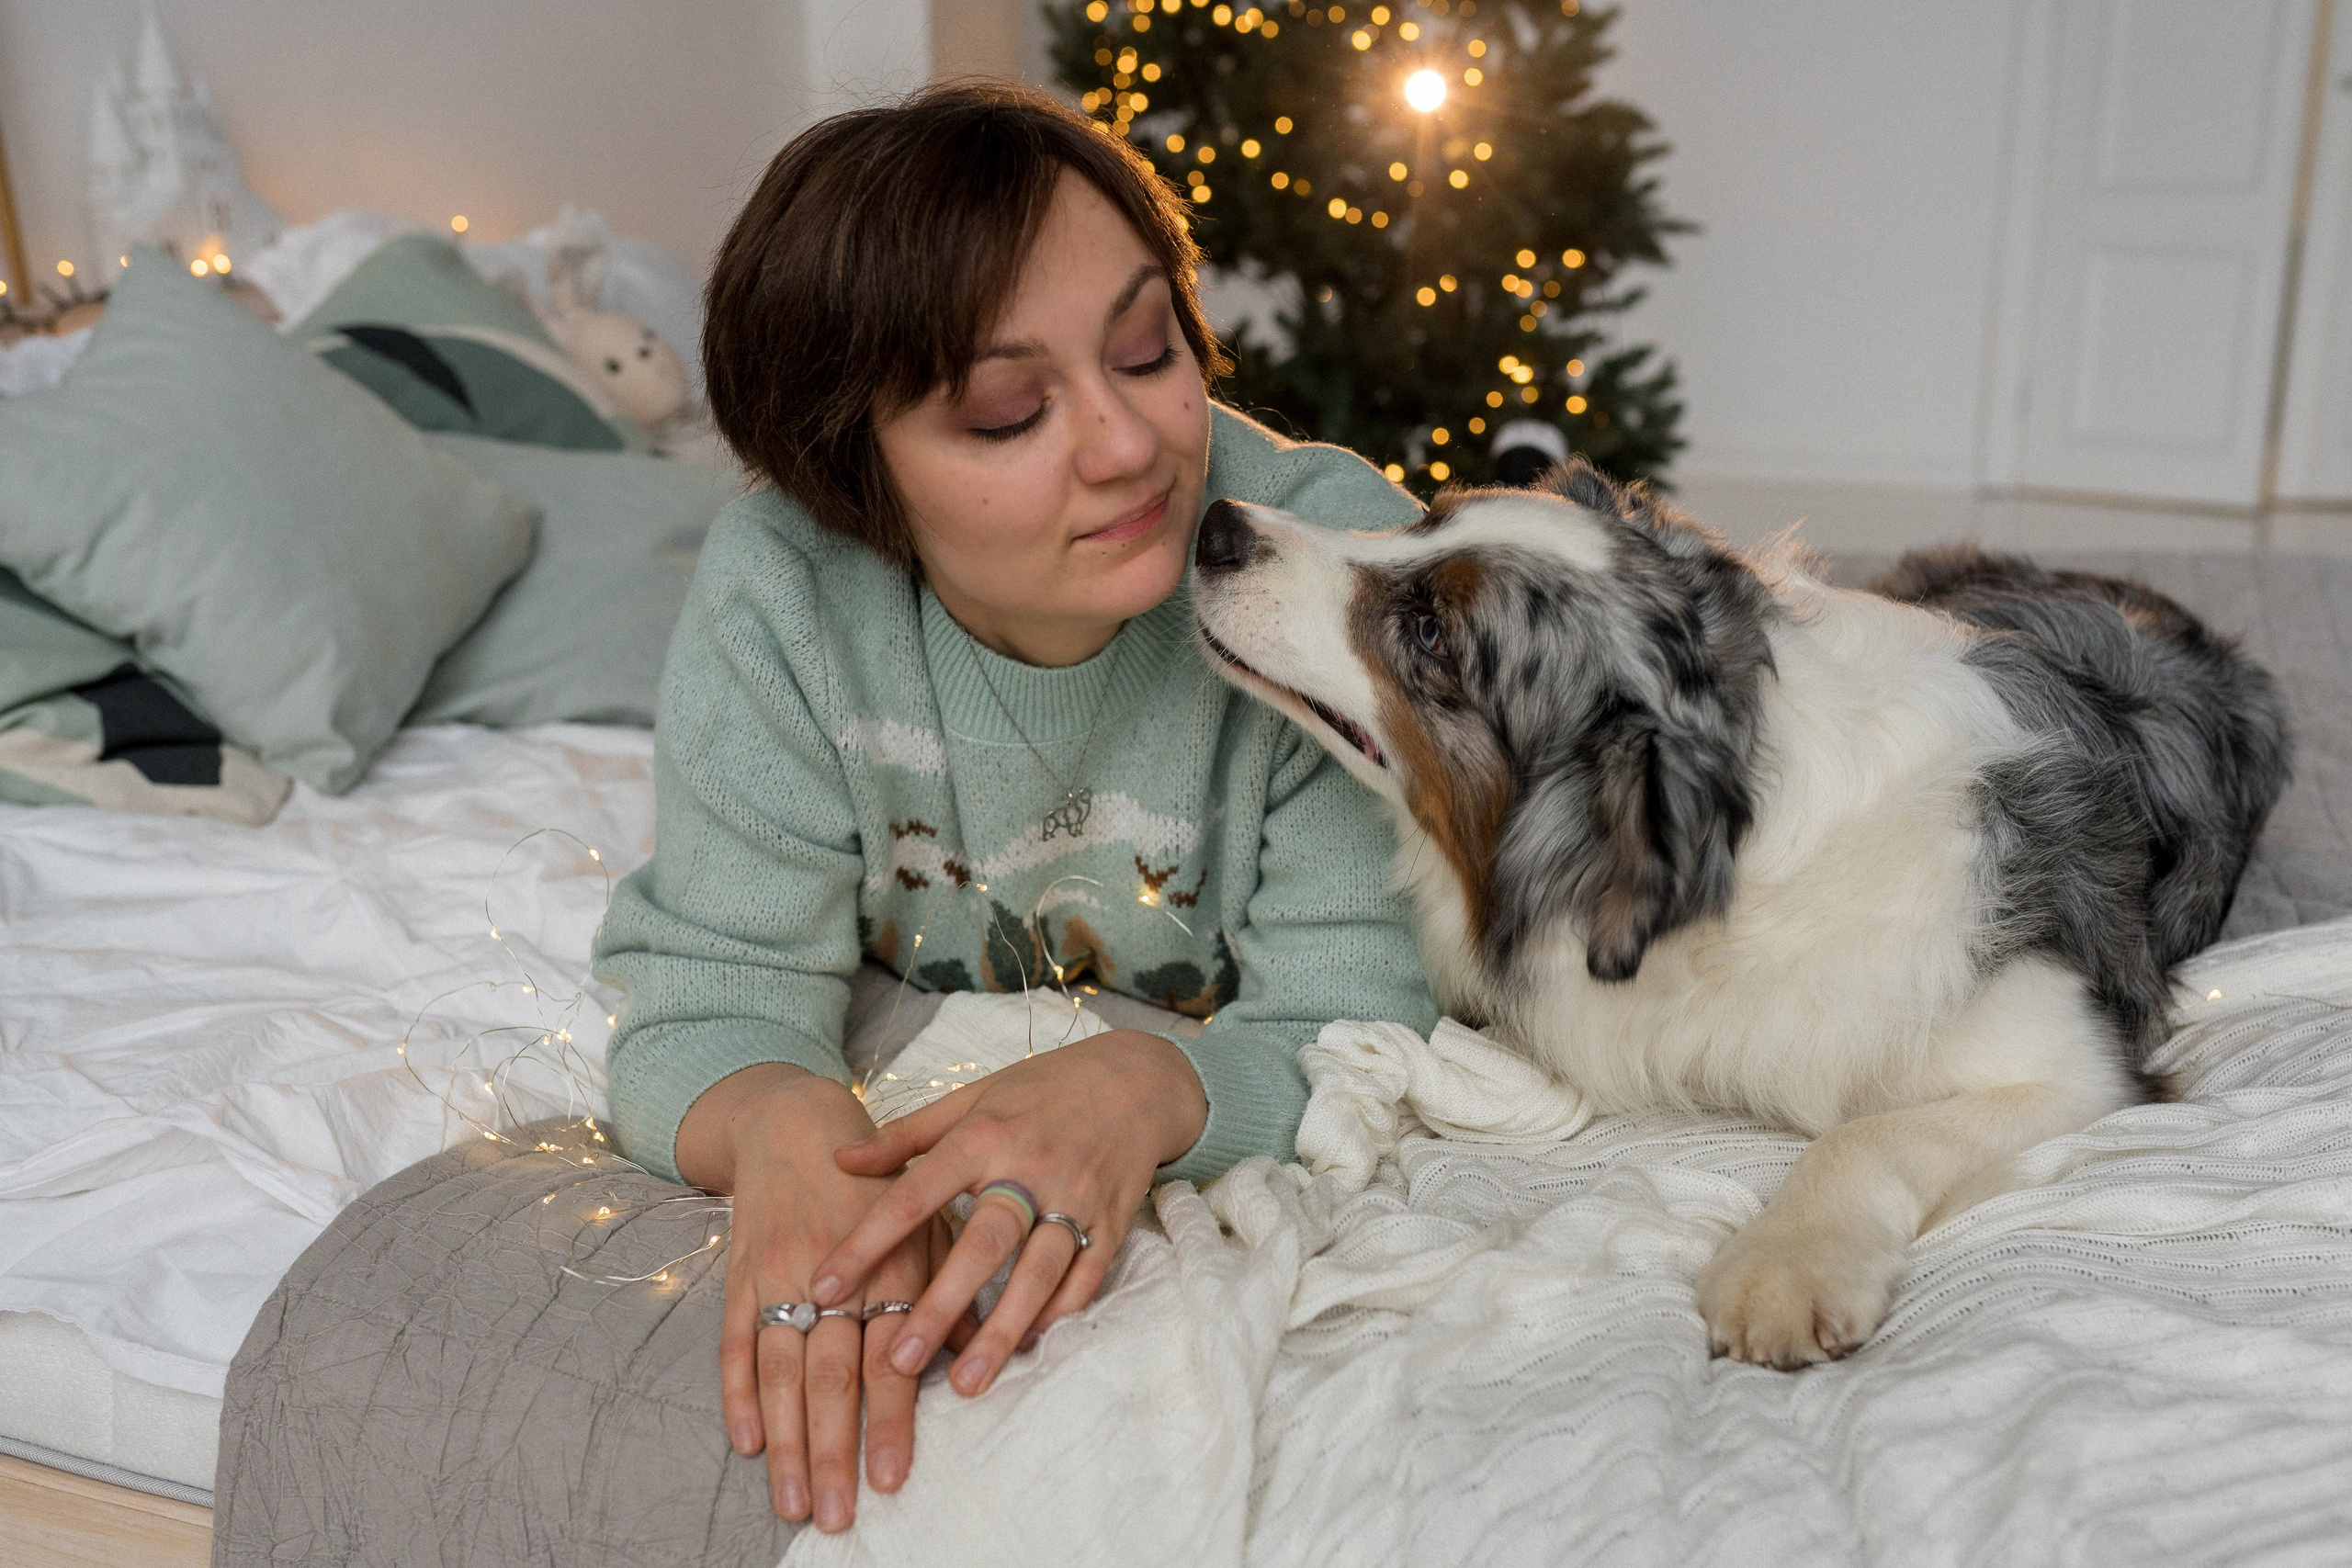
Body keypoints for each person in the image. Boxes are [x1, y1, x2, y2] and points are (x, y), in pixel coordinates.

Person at [591, 82, 1436, 1535]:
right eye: (1005, 412)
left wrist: (1148, 1088)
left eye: (1148, 349)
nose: (1129, 444)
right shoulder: (786, 590)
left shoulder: (1325, 566)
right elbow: (709, 994)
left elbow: (1372, 1023)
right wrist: (784, 1127)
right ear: (852, 474)